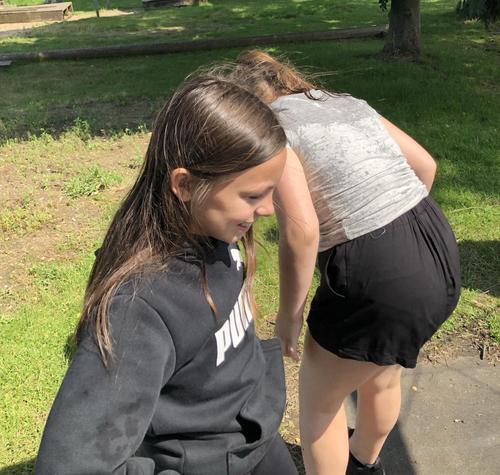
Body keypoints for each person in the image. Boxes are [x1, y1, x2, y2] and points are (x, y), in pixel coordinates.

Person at [35, 75, 299, 475]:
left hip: (257, 442)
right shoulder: (138, 309)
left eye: (270, 191)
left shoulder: (218, 230)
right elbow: (70, 464)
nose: (267, 210)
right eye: (251, 196)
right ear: (185, 185)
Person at [228, 51, 460, 475]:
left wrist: (290, 317)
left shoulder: (273, 128)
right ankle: (363, 464)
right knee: (380, 372)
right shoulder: (346, 103)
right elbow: (426, 165)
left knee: (320, 401)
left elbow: (301, 233)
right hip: (435, 242)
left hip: (379, 270)